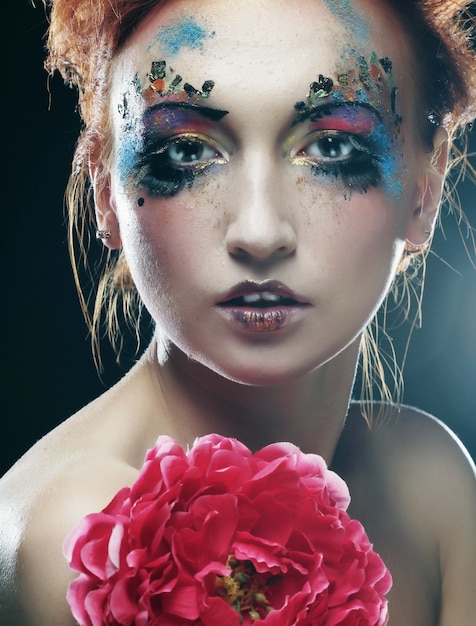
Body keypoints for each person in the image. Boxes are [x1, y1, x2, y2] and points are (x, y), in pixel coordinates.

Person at [1, 0, 476, 623]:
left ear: (426, 184)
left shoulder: (430, 481)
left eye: (331, 146)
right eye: (186, 152)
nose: (259, 231)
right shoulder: (84, 534)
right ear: (104, 192)